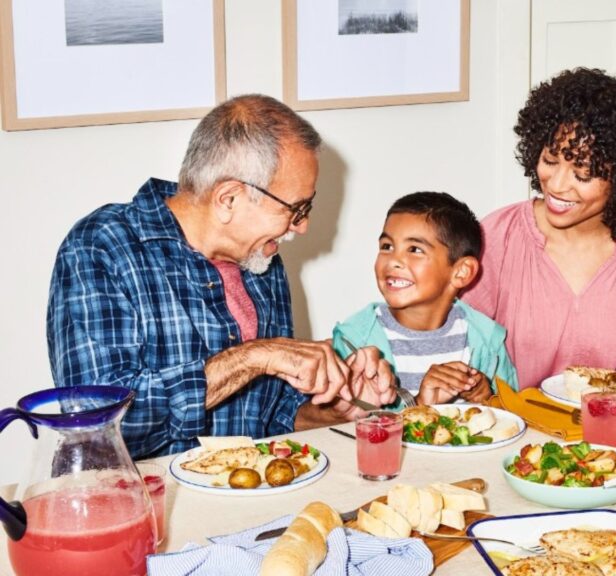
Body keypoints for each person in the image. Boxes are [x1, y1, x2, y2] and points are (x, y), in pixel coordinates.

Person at [47, 94, 395, 459]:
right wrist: (253, 357)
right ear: (229, 198)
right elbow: (97, 426)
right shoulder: (101, 247)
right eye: (296, 209)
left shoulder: (262, 261)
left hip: (249, 506)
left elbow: (271, 417)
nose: (303, 226)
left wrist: (336, 410)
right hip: (140, 507)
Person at [462, 68, 616, 390]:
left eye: (583, 174)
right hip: (517, 428)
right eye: (550, 159)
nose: (557, 185)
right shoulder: (498, 236)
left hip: (611, 426)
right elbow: (459, 341)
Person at [332, 192, 518, 407]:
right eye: (387, 247)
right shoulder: (355, 342)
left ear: (462, 272)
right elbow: (349, 430)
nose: (394, 261)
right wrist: (419, 406)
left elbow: (514, 417)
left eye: (414, 250)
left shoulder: (486, 339)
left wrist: (488, 398)